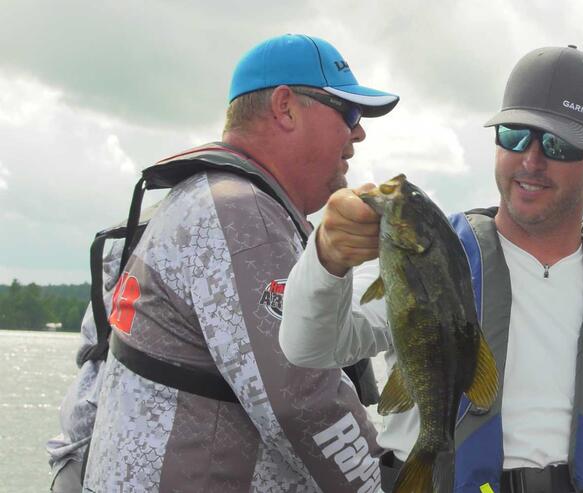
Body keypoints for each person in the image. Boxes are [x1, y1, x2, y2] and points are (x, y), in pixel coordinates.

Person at [279, 45, 583, 493]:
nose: (531, 160)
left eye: (557, 144)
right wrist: (326, 258)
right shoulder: (426, 262)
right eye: (515, 134)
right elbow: (307, 348)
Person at [54, 33, 399, 492]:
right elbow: (301, 401)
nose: (359, 133)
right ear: (285, 107)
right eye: (350, 114)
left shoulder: (181, 202)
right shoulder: (242, 217)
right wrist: (387, 483)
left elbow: (89, 385)